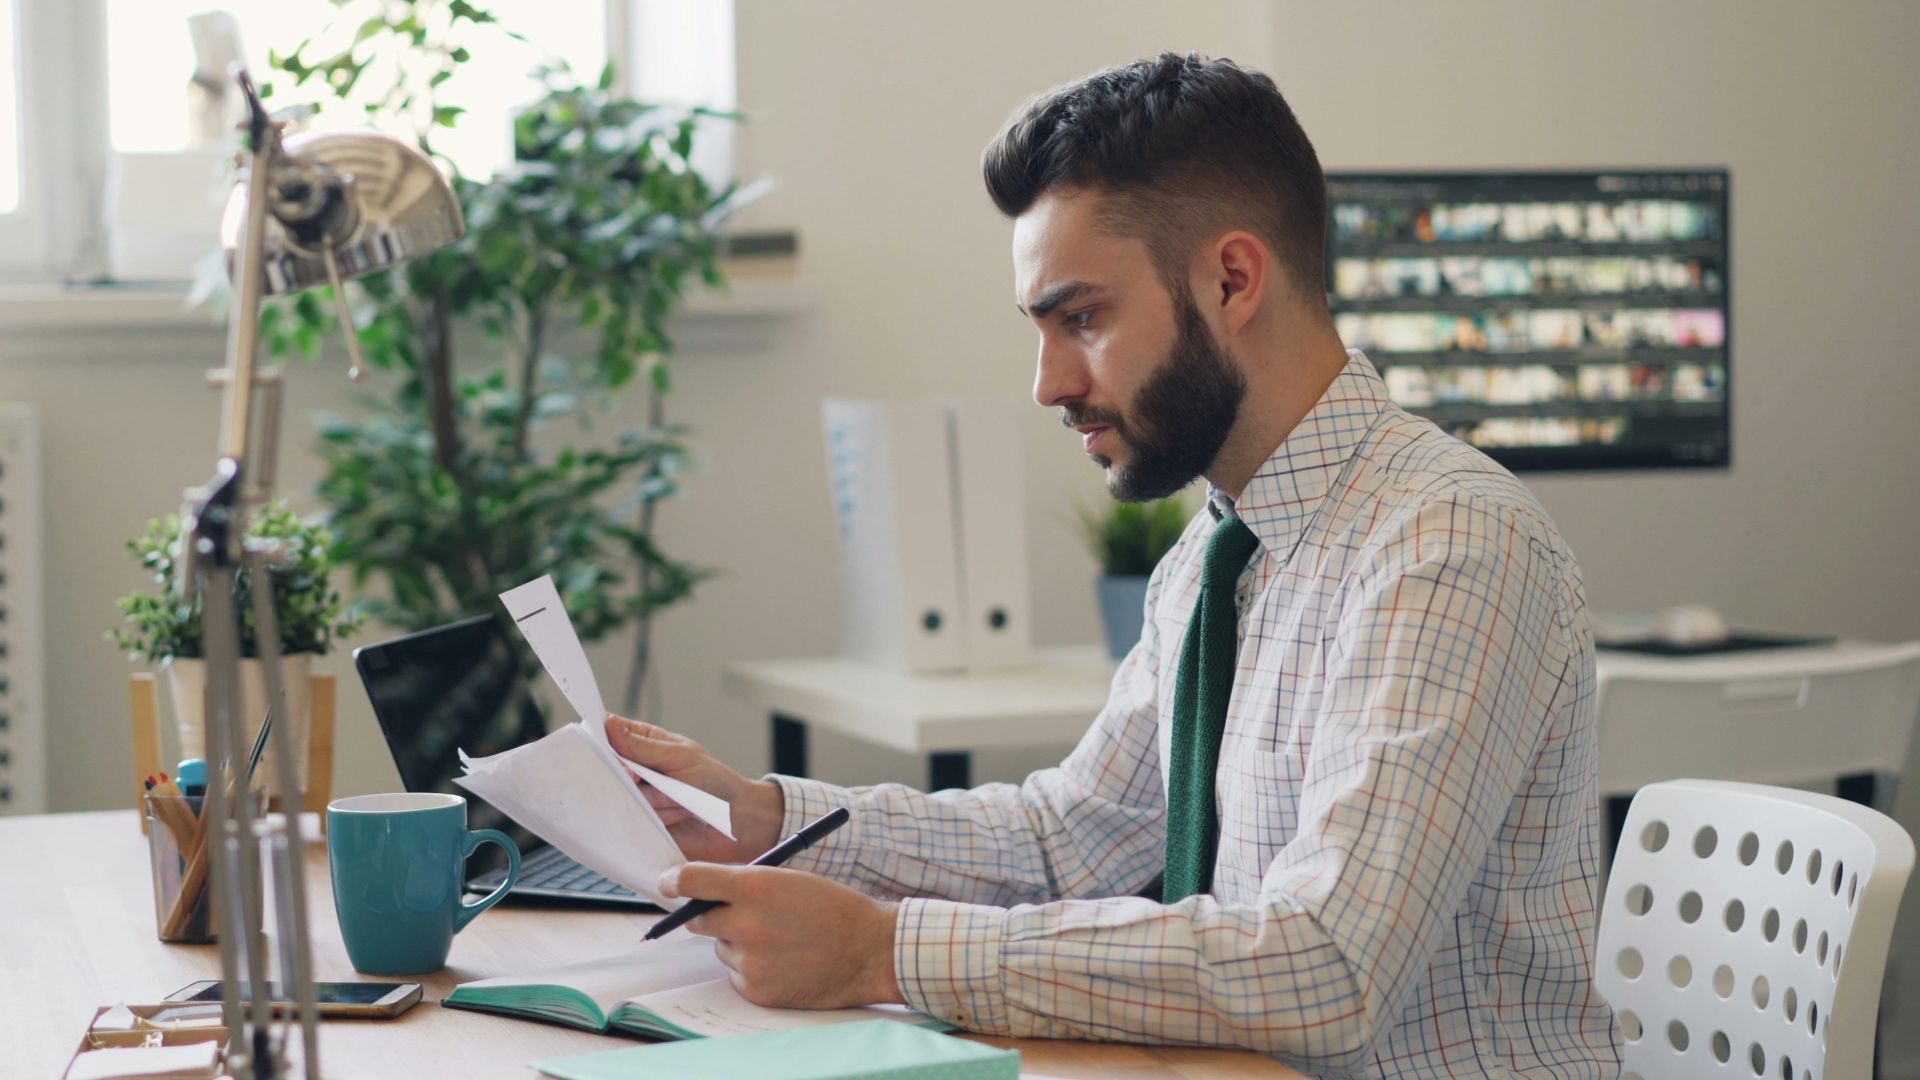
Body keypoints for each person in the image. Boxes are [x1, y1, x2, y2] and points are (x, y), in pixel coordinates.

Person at [607, 52, 1619, 1076]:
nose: (1049, 383)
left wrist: (884, 952)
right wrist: (768, 818)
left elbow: (1328, 965)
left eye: (1081, 318)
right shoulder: (1217, 557)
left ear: (1232, 279)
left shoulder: (1447, 542)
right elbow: (1067, 839)